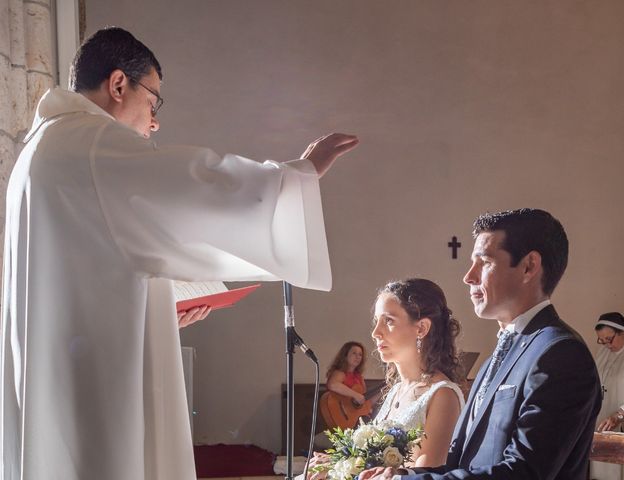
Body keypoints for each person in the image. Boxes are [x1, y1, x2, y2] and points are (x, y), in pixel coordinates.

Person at [0, 27, 358, 480]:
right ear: (117, 85)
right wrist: (296, 177)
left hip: (53, 383)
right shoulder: (92, 144)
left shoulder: (40, 152)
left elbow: (86, 277)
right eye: (153, 101)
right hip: (93, 396)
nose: (154, 122)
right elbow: (200, 184)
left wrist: (156, 311)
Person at [361, 208, 601, 480]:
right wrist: (398, 474)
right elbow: (462, 466)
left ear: (529, 266)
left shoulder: (559, 354)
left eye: (484, 262)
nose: (468, 276)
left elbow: (524, 473)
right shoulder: (496, 359)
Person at [310, 278, 465, 478]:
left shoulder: (443, 395)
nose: (376, 333)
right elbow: (373, 463)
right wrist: (338, 464)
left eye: (389, 321)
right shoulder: (396, 390)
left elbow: (423, 475)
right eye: (377, 321)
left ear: (421, 329)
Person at [591, 312, 624, 480]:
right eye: (601, 340)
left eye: (609, 339)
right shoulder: (604, 352)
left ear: (622, 332)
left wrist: (619, 416)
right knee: (601, 471)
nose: (606, 344)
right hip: (602, 421)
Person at [325, 341, 368, 407]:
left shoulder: (360, 377)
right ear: (345, 355)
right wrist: (355, 395)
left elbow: (364, 400)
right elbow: (333, 385)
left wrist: (383, 391)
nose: (358, 357)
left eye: (360, 354)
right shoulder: (340, 373)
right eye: (354, 353)